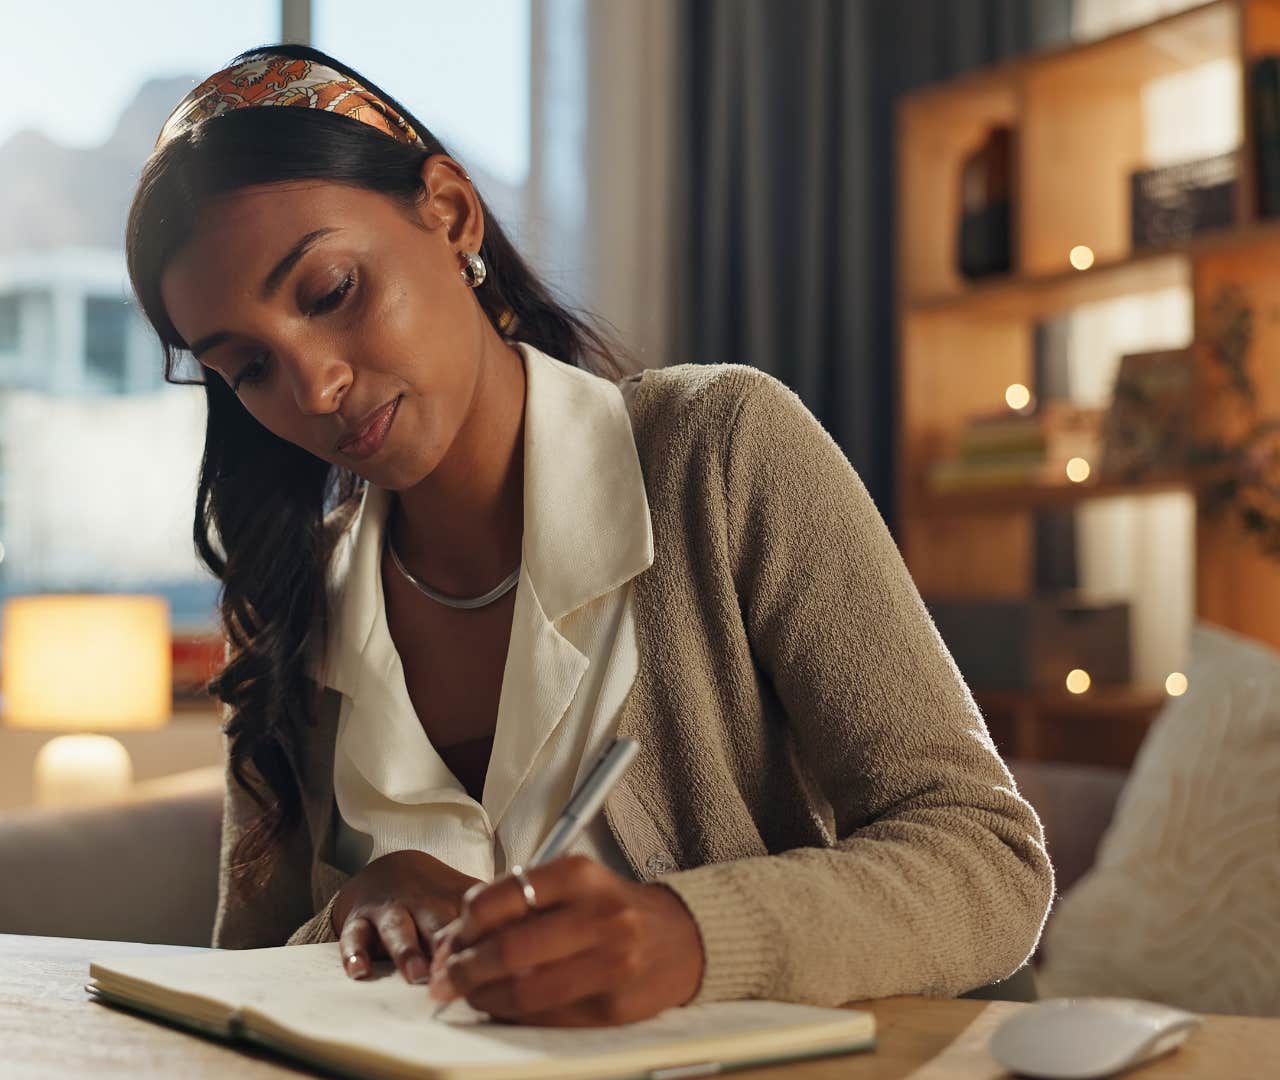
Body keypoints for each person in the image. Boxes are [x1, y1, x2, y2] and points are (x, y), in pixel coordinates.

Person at [125, 43, 1052, 1028]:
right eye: (249, 369)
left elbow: (986, 858)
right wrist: (349, 917)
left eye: (331, 293)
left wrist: (685, 937)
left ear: (449, 212)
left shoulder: (722, 453)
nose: (314, 387)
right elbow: (242, 992)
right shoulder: (286, 605)